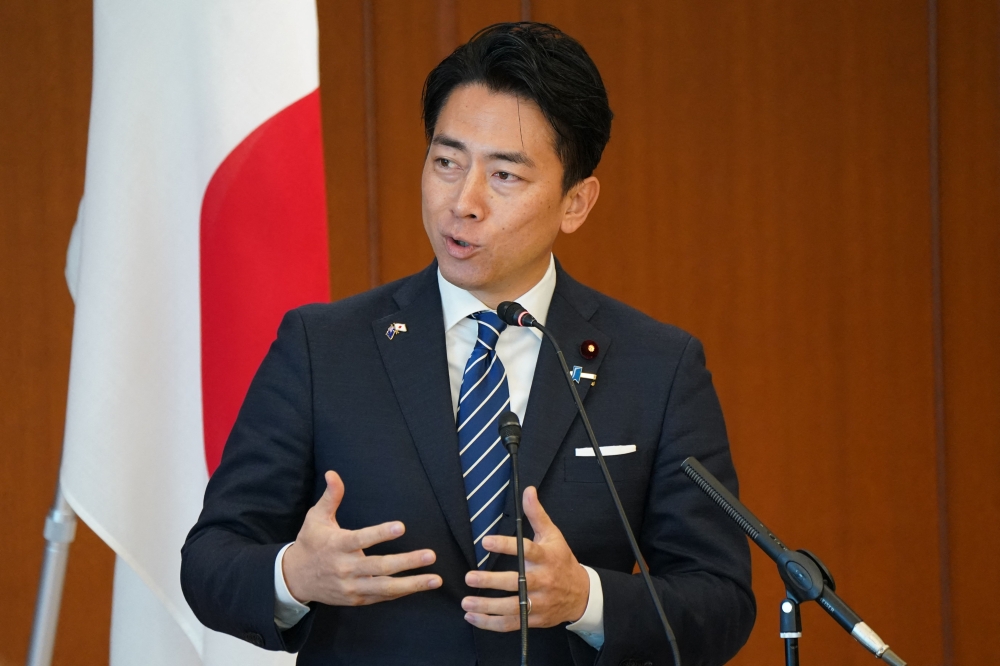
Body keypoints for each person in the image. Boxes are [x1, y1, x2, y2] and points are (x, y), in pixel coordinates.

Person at [181, 22, 755, 666]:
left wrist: (586, 599)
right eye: (447, 162)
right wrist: (294, 577)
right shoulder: (322, 348)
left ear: (575, 202)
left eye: (505, 176)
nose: (463, 201)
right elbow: (210, 560)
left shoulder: (658, 365)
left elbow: (722, 599)